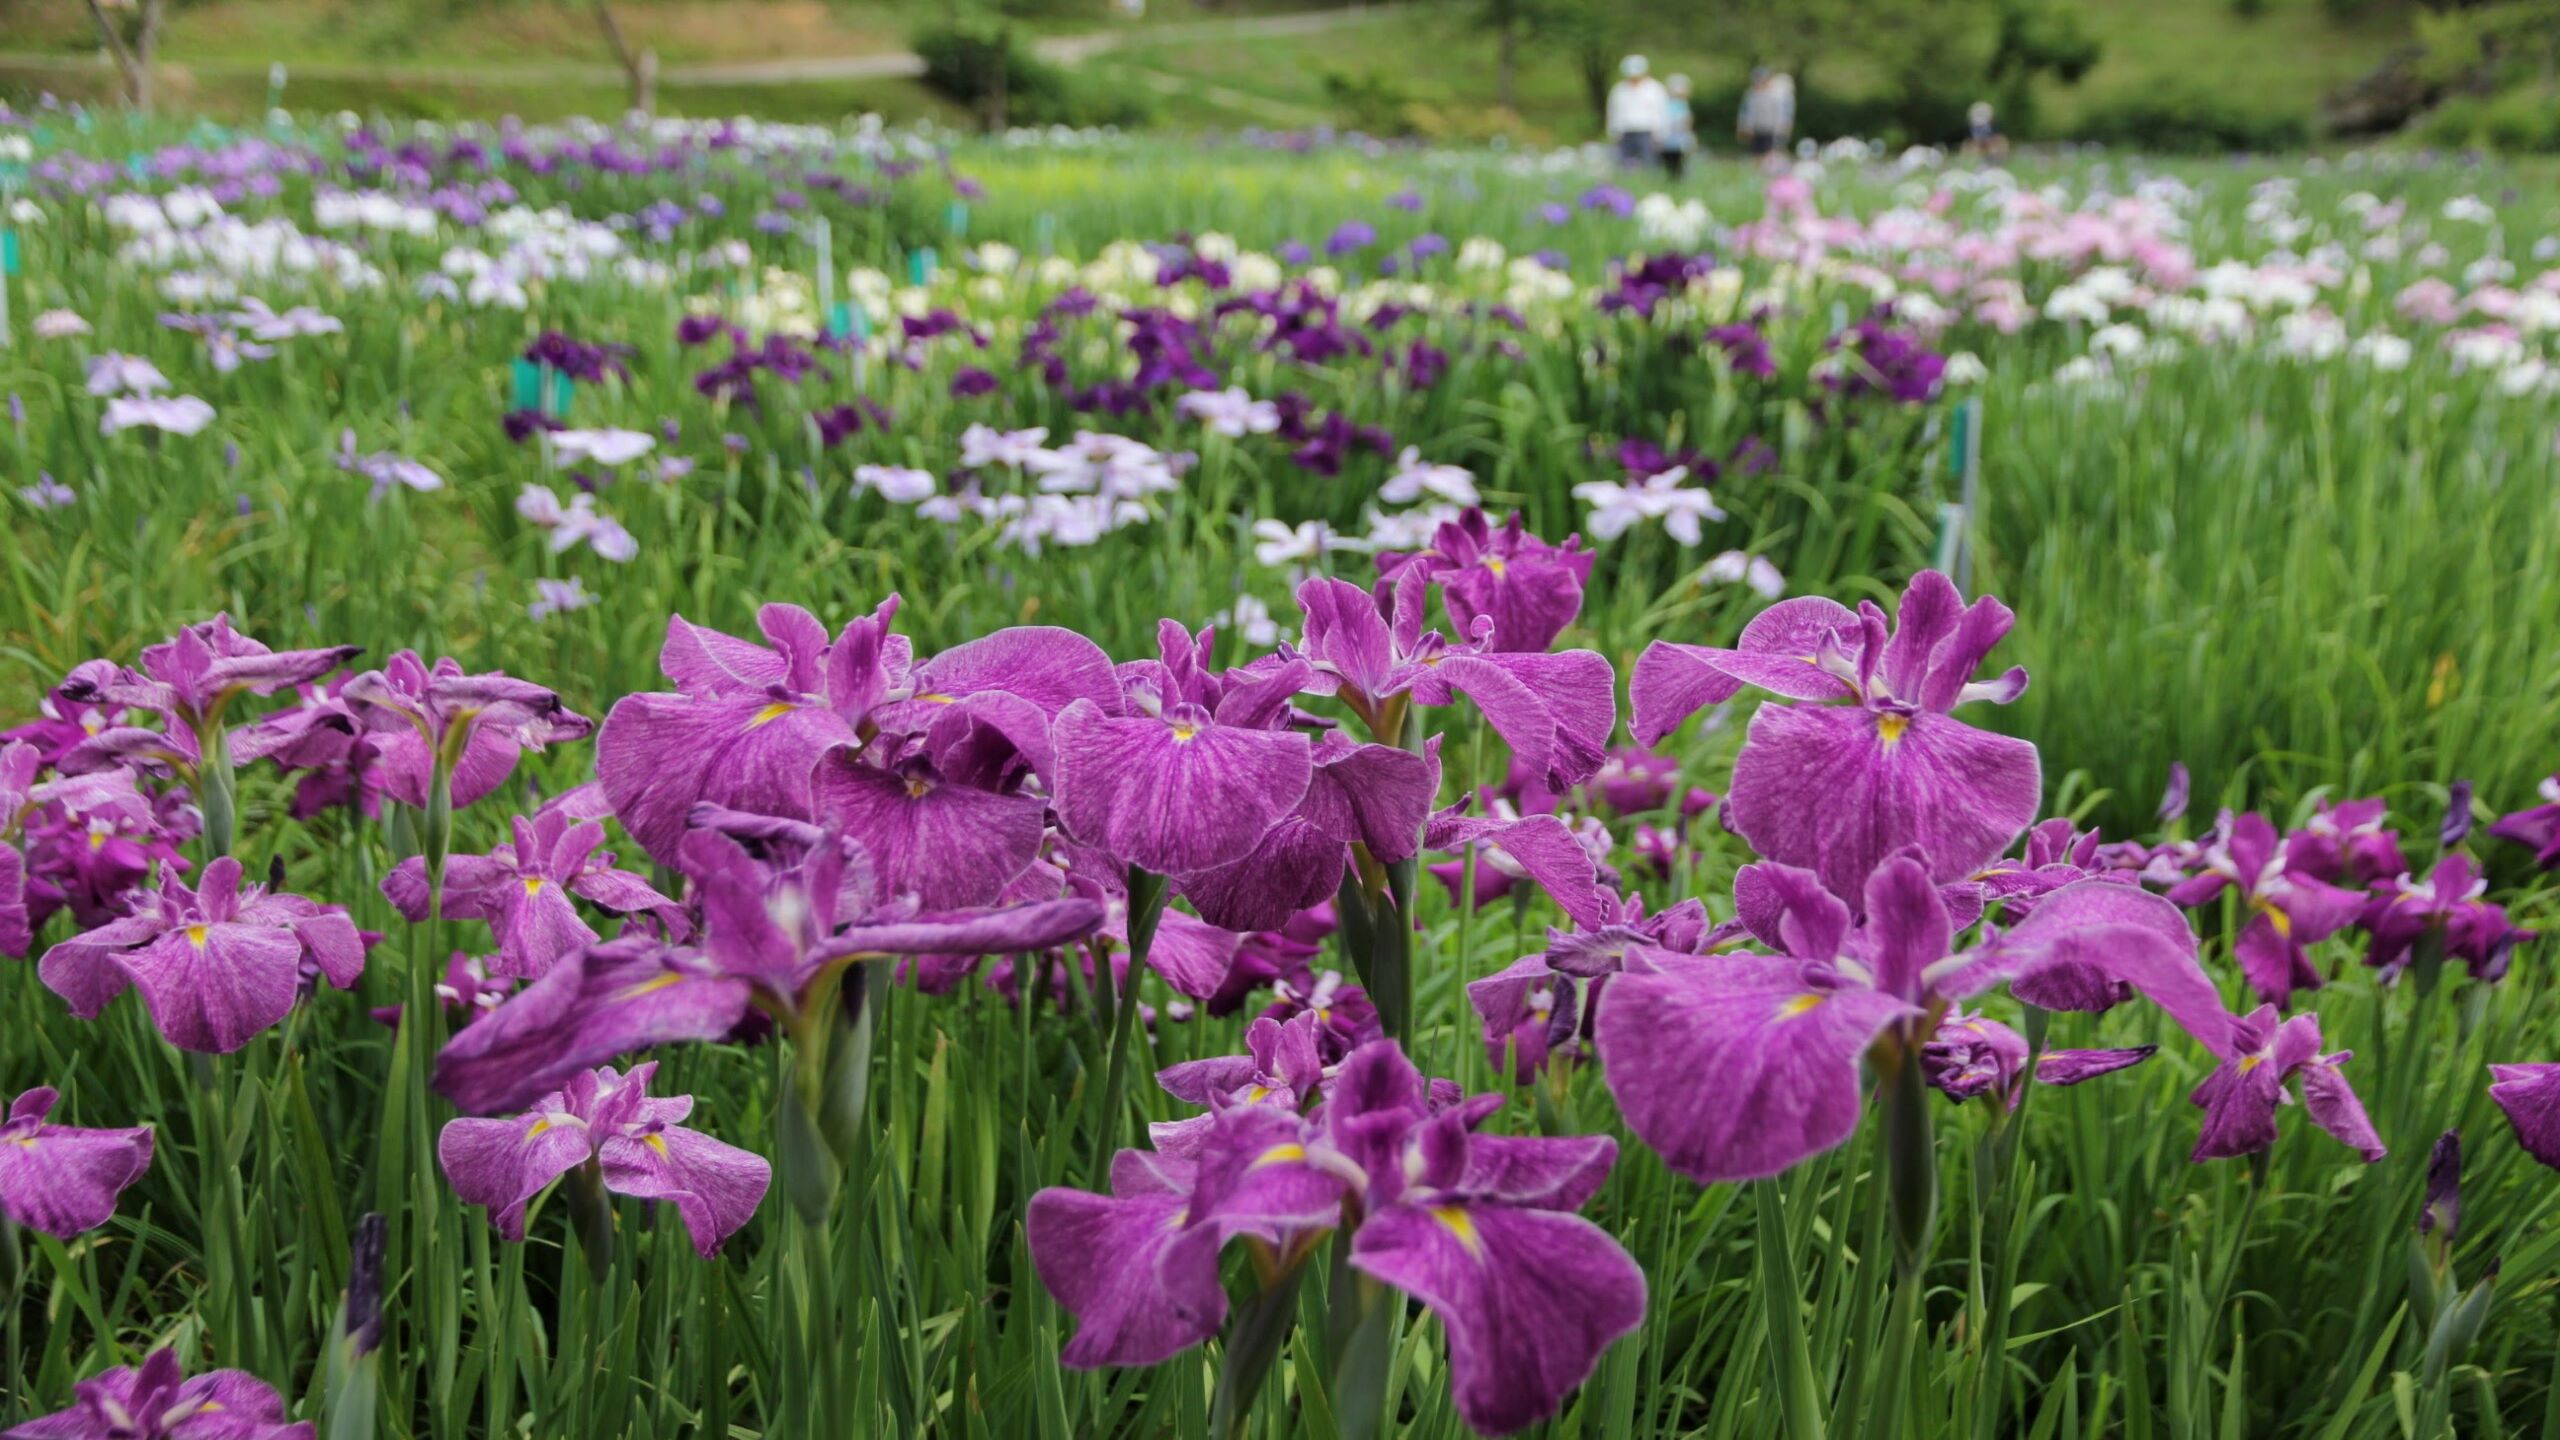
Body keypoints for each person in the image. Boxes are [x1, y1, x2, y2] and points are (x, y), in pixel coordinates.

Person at [1605, 55, 1667, 171]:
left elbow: (1661, 112)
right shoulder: (1619, 89)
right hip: (1625, 132)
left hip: (1648, 132)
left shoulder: (1655, 88)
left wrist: (1661, 134)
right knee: (1625, 166)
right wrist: (1613, 132)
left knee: (1650, 165)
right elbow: (1613, 112)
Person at [1738, 67, 1796, 168]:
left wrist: (1782, 129)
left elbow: (1781, 114)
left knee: (1772, 154)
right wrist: (1746, 126)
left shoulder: (1778, 94)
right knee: (1757, 153)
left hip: (1773, 129)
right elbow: (1749, 112)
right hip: (1758, 128)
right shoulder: (1752, 94)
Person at [1659, 74, 1696, 180]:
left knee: (1681, 164)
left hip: (1681, 139)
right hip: (1669, 139)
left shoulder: (1684, 104)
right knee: (1670, 163)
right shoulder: (1666, 104)